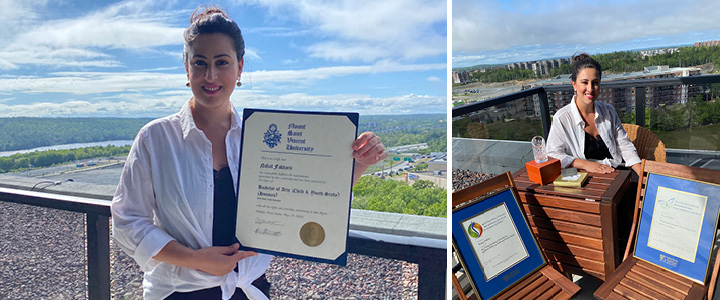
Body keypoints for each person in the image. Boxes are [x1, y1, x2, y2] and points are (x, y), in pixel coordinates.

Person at [110, 6, 388, 300]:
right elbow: (128, 220)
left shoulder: (262, 141)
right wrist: (197, 259)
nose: (211, 75)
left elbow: (306, 203)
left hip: (249, 290)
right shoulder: (156, 138)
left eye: (222, 62)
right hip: (178, 292)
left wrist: (357, 164)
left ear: (239, 68)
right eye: (200, 63)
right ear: (186, 68)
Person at [546, 53, 642, 176]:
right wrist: (584, 164)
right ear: (574, 84)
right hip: (586, 178)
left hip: (616, 171)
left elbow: (624, 145)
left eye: (595, 82)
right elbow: (553, 155)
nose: (590, 89)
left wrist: (640, 172)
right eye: (584, 82)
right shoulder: (562, 118)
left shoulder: (608, 111)